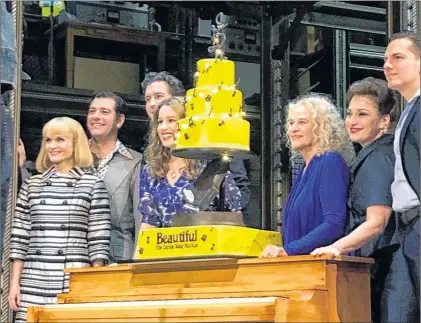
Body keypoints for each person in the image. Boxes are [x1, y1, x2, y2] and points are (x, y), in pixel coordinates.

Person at [311, 77, 398, 322]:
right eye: (349, 114)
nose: (352, 121)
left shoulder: (378, 158)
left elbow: (377, 221)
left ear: (384, 121)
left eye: (362, 114)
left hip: (388, 270)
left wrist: (336, 247)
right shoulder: (374, 153)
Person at [8, 117, 111, 323]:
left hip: (72, 279)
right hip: (33, 280)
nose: (52, 146)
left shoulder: (92, 184)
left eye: (60, 140)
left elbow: (98, 241)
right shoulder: (32, 184)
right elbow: (20, 238)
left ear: (76, 144)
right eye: (48, 140)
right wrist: (14, 283)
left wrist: (96, 286)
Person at [141, 71, 251, 213]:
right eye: (148, 99)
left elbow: (237, 195)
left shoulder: (213, 151)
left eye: (159, 97)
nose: (152, 104)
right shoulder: (152, 159)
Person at [260, 94, 354, 257]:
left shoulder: (330, 162)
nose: (293, 129)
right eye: (291, 123)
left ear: (323, 126)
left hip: (324, 267)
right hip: (303, 266)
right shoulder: (305, 169)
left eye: (302, 122)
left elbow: (334, 223)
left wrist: (289, 250)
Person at [139, 97, 242, 229]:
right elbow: (149, 223)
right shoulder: (151, 171)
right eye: (160, 122)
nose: (163, 127)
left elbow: (235, 219)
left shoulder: (211, 167)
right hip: (164, 248)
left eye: (171, 121)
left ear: (188, 124)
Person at [381, 31, 420, 323]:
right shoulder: (408, 110)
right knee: (396, 311)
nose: (388, 65)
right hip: (405, 228)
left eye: (398, 58)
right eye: (385, 59)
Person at [87, 91, 143, 262]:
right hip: (74, 256)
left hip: (117, 259)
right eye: (92, 111)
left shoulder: (136, 161)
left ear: (120, 120)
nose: (96, 116)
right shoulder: (72, 156)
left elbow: (141, 219)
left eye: (104, 112)